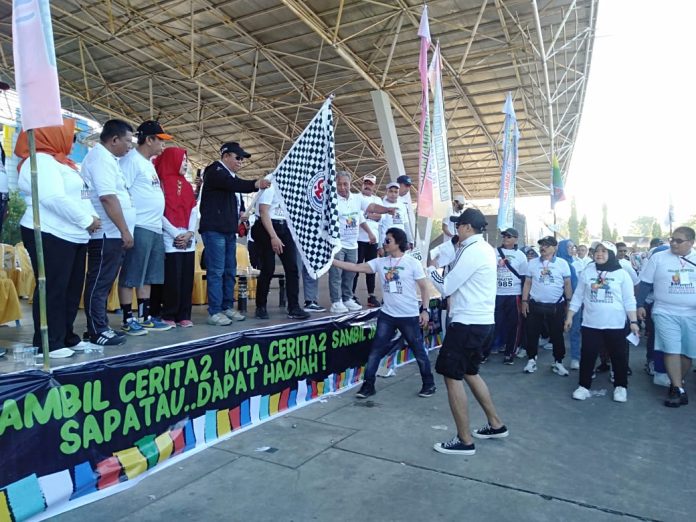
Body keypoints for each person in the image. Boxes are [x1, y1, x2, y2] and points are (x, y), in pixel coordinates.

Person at [15, 119, 101, 357]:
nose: (73, 141)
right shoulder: (40, 161)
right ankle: (48, 343)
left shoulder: (67, 164)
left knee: (72, 290)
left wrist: (91, 217)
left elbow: (82, 197)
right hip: (50, 232)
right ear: (53, 135)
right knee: (54, 287)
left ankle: (66, 336)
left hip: (75, 235)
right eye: (69, 136)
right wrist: (87, 220)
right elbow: (52, 198)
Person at [428, 208, 508, 455]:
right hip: (480, 321)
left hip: (468, 324)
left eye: (458, 225)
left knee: (452, 376)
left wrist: (430, 267)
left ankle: (464, 440)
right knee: (470, 372)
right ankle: (495, 424)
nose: (455, 229)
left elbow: (447, 286)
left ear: (467, 228)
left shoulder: (473, 250)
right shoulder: (483, 249)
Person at [334, 227, 435, 398]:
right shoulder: (380, 262)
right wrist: (332, 262)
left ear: (398, 243)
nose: (384, 243)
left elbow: (425, 288)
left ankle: (429, 383)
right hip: (387, 315)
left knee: (418, 350)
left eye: (388, 240)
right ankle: (368, 385)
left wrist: (425, 310)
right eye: (385, 240)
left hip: (408, 316)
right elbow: (355, 267)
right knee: (375, 351)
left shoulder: (412, 263)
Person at [198, 142, 270, 325]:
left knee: (230, 271)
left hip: (229, 231)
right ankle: (215, 311)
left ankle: (226, 306)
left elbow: (234, 194)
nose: (241, 162)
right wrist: (255, 184)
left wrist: (241, 213)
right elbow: (233, 185)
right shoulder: (215, 171)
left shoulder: (230, 177)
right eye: (238, 158)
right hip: (215, 230)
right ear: (226, 156)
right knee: (216, 271)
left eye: (242, 159)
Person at [82, 119, 135, 347]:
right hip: (106, 233)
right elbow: (107, 197)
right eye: (127, 141)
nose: (129, 146)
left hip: (112, 233)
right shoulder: (101, 159)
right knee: (99, 282)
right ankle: (96, 329)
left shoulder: (108, 159)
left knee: (104, 281)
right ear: (114, 140)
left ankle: (100, 325)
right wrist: (124, 229)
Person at [117, 121, 173, 335]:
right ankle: (127, 318)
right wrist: (126, 227)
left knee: (150, 275)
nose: (162, 146)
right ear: (148, 139)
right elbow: (122, 193)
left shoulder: (149, 164)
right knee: (132, 274)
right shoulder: (131, 161)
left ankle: (145, 316)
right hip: (138, 225)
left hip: (154, 227)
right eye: (160, 140)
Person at [565, 241, 639, 403]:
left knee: (618, 356)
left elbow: (629, 299)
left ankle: (621, 386)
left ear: (611, 254)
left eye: (604, 251)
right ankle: (584, 386)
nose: (599, 254)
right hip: (591, 323)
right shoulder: (587, 271)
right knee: (588, 355)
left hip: (616, 324)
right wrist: (570, 316)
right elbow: (578, 296)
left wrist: (633, 321)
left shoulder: (621, 274)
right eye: (597, 251)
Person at [637, 226, 696, 407]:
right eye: (672, 239)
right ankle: (677, 388)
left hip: (691, 314)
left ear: (691, 243)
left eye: (679, 240)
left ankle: (676, 383)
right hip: (664, 311)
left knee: (688, 353)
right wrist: (639, 304)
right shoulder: (658, 258)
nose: (673, 243)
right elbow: (645, 283)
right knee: (671, 350)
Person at [329, 171, 394, 314]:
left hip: (353, 243)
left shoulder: (356, 199)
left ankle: (347, 298)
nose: (342, 187)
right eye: (339, 184)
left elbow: (371, 207)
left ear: (350, 184)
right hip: (337, 243)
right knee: (336, 274)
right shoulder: (331, 200)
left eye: (345, 184)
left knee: (351, 272)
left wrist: (386, 209)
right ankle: (336, 301)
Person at [252, 184, 310, 320]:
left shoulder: (291, 187)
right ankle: (260, 306)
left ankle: (294, 307)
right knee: (268, 267)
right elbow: (263, 211)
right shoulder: (270, 185)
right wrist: (273, 236)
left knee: (292, 268)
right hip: (266, 227)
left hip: (284, 227)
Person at [153, 147, 197, 327]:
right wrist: (176, 233)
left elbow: (194, 210)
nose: (185, 164)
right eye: (182, 160)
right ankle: (169, 314)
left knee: (187, 277)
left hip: (188, 237)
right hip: (170, 236)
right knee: (172, 277)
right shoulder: (160, 183)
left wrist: (190, 233)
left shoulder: (187, 185)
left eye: (186, 161)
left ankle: (184, 314)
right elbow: (158, 211)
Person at [520, 236, 573, 376]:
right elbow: (527, 283)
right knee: (532, 333)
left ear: (555, 248)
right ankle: (531, 360)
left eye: (547, 245)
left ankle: (558, 362)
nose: (543, 247)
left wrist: (569, 303)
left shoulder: (562, 264)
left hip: (556, 306)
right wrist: (524, 301)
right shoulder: (532, 263)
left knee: (557, 335)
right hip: (535, 304)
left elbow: (567, 284)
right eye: (542, 245)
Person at [491, 228, 527, 365]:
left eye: (509, 236)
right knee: (493, 323)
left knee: (514, 325)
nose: (505, 238)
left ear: (516, 239)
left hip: (514, 294)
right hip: (497, 293)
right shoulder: (494, 252)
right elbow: (487, 268)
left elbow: (524, 278)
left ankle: (510, 352)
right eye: (504, 236)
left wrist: (525, 299)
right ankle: (485, 351)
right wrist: (496, 264)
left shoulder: (520, 256)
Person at [353, 174, 382, 308]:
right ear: (362, 184)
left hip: (373, 240)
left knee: (371, 269)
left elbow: (379, 216)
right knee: (355, 268)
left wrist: (367, 214)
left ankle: (371, 295)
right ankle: (350, 295)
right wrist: (370, 214)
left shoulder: (377, 199)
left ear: (374, 185)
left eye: (370, 183)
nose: (367, 186)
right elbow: (356, 216)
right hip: (358, 239)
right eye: (366, 183)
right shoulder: (356, 198)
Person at [557, 239, 581, 370]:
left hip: (575, 301)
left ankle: (575, 357)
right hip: (559, 300)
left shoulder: (579, 263)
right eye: (569, 247)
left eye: (573, 247)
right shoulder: (556, 263)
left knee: (575, 329)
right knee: (557, 330)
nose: (573, 249)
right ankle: (558, 359)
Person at [378, 182, 413, 249]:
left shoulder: (402, 205)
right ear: (386, 192)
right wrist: (380, 246)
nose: (393, 194)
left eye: (396, 192)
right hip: (387, 242)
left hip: (401, 241)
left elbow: (406, 224)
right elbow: (379, 226)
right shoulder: (381, 205)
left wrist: (410, 241)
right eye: (391, 191)